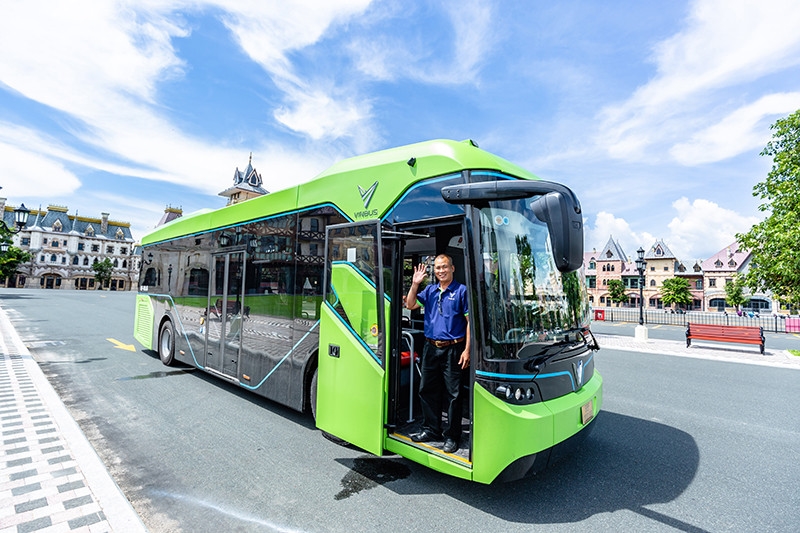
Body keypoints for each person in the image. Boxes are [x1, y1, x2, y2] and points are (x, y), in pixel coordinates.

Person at [405, 254, 470, 454]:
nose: (441, 270)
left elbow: (470, 324)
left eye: (444, 267)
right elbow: (410, 305)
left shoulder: (461, 291)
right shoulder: (430, 291)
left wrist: (467, 350)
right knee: (427, 389)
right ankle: (431, 429)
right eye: (438, 268)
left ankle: (452, 436)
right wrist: (415, 284)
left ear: (452, 269)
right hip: (430, 347)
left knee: (453, 395)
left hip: (453, 348)